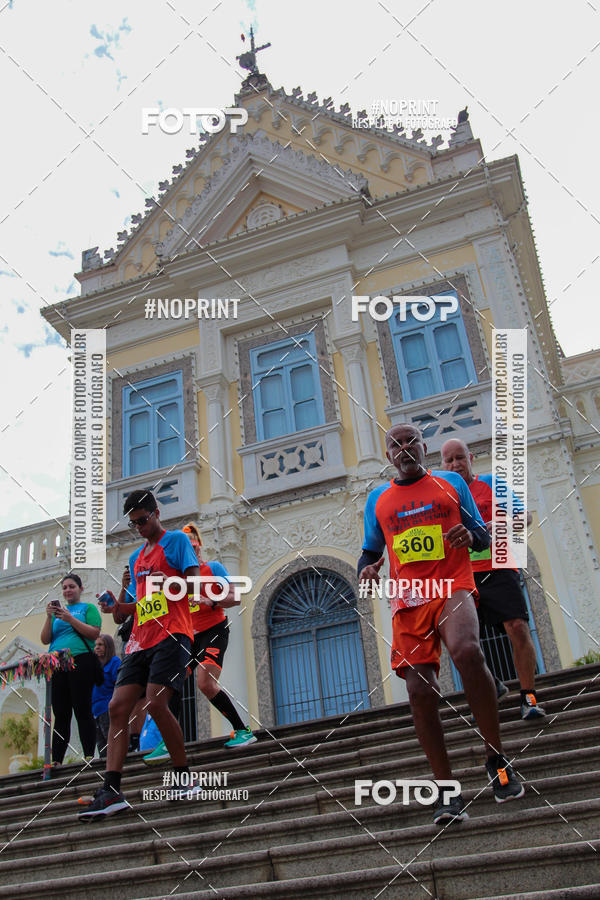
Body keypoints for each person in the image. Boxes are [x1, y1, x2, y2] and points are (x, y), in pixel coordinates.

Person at [358, 424, 524, 824]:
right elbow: (369, 551)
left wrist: (470, 535)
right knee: (419, 690)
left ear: (423, 447)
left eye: (410, 441)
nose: (404, 448)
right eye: (395, 444)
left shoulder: (451, 483)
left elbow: (482, 535)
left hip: (452, 585)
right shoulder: (377, 499)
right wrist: (367, 570)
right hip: (409, 599)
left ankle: (497, 758)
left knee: (466, 651)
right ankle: (446, 790)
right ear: (388, 456)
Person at [79, 490, 201, 820]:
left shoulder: (176, 541)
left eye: (143, 521)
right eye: (133, 524)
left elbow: (195, 586)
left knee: (156, 703)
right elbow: (137, 606)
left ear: (156, 513)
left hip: (173, 633)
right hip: (139, 640)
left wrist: (170, 582)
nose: (140, 528)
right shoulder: (135, 559)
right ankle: (111, 790)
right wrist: (116, 606)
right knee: (117, 707)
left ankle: (184, 778)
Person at [440, 438, 545, 721]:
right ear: (442, 465)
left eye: (460, 457)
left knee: (517, 628)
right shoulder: (441, 496)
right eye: (449, 460)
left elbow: (526, 517)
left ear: (471, 458)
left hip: (499, 567)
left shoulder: (491, 484)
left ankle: (529, 698)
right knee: (461, 641)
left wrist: (502, 524)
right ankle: (492, 685)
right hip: (462, 576)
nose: (455, 464)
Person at [142, 523, 256, 764]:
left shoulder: (212, 568)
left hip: (214, 630)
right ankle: (169, 740)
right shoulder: (176, 578)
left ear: (199, 547)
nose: (191, 549)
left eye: (194, 544)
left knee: (205, 682)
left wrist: (209, 599)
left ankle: (242, 730)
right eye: (186, 545)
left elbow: (235, 597)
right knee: (171, 683)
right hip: (188, 636)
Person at [40, 574, 101, 771]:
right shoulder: (56, 615)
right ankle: (57, 759)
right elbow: (45, 639)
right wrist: (49, 617)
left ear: (81, 589)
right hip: (57, 663)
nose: (68, 590)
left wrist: (70, 618)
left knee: (82, 708)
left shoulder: (88, 608)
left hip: (80, 660)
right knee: (61, 712)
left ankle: (89, 754)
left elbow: (94, 633)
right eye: (65, 587)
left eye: (72, 586)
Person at [92, 634, 121, 759]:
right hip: (95, 711)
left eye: (100, 645)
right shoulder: (95, 666)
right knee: (102, 749)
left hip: (107, 708)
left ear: (108, 647)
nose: (97, 648)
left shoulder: (114, 662)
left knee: (111, 744)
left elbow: (118, 684)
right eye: (95, 645)